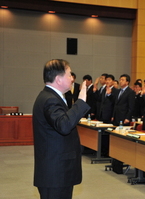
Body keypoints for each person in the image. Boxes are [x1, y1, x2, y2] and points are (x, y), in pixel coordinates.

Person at [32, 59, 90, 199]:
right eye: (69, 74)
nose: (72, 79)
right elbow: (64, 125)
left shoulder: (52, 97)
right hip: (55, 173)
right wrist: (80, 101)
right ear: (58, 79)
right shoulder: (49, 99)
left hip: (56, 171)